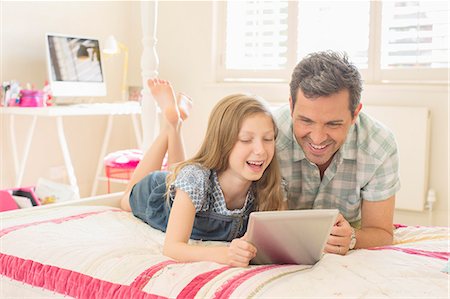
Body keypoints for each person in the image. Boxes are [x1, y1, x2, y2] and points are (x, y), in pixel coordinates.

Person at [121, 78, 285, 267]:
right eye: (246, 139)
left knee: (178, 171)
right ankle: (171, 125)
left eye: (268, 139)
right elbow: (173, 248)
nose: (260, 150)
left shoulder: (270, 185)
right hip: (157, 195)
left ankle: (176, 122)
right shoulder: (196, 179)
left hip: (184, 184)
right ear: (223, 142)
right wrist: (223, 254)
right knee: (125, 198)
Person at [274, 51, 400, 255]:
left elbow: (382, 233)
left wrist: (352, 238)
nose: (317, 138)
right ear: (291, 106)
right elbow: (274, 227)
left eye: (333, 124)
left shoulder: (379, 145)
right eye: (306, 121)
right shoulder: (268, 137)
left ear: (354, 114)